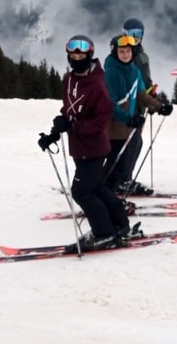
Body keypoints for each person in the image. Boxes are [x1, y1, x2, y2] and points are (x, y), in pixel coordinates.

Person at [38, 34, 132, 249]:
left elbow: (101, 120)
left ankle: (104, 232)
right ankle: (120, 224)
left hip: (94, 147)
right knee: (97, 188)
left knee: (81, 192)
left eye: (81, 55)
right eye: (73, 55)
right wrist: (55, 132)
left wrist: (73, 127)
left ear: (90, 56)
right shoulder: (70, 79)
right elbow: (69, 109)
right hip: (78, 146)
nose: (77, 58)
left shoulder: (98, 84)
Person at [103, 33, 171, 196]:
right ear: (115, 53)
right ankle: (106, 194)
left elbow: (141, 94)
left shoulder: (133, 70)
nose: (125, 55)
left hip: (127, 124)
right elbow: (110, 104)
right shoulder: (111, 73)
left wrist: (159, 107)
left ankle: (122, 183)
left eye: (128, 51)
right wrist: (128, 118)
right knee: (116, 163)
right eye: (121, 52)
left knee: (134, 147)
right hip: (114, 126)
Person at [119, 17, 167, 194]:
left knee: (135, 142)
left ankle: (124, 178)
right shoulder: (124, 54)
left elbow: (144, 79)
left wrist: (151, 92)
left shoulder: (141, 55)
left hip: (141, 104)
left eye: (138, 34)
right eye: (131, 33)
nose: (135, 37)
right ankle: (122, 180)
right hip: (129, 106)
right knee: (131, 143)